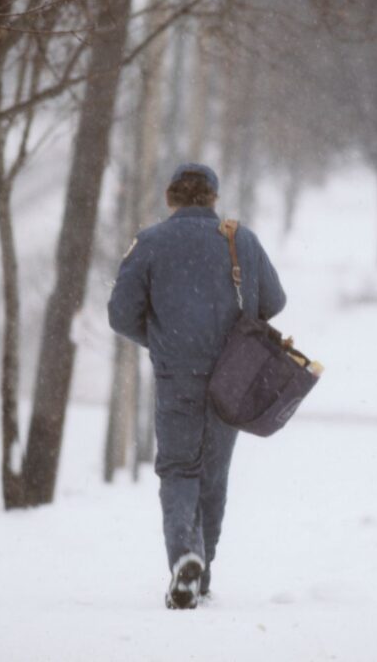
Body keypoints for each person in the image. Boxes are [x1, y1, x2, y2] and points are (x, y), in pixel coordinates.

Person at [107, 163, 287, 609]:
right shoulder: (238, 238)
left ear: (171, 198)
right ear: (212, 198)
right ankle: (201, 573)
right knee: (213, 473)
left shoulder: (149, 243)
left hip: (176, 375)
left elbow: (120, 314)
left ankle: (185, 555)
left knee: (178, 469)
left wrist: (162, 339)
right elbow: (275, 301)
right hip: (233, 374)